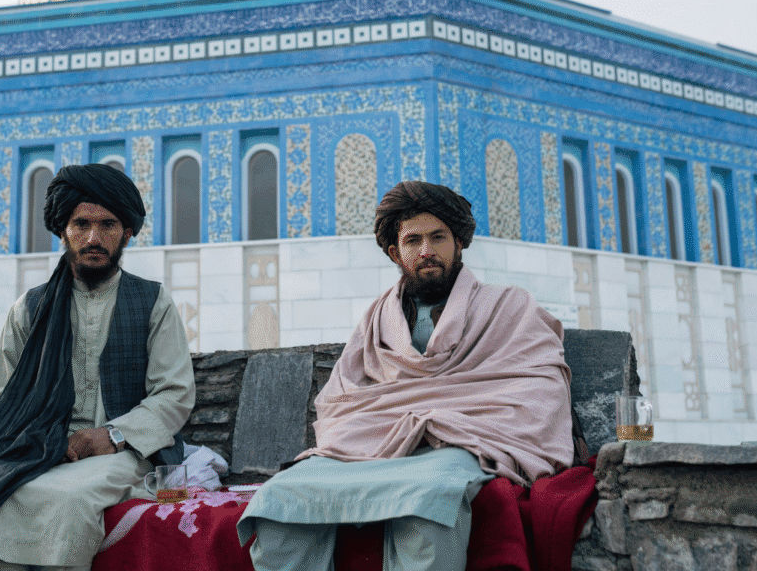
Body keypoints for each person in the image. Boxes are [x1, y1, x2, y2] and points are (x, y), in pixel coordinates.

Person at [237, 181, 574, 571]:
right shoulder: (378, 317)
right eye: (414, 241)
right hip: (371, 444)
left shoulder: (509, 305)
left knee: (429, 504)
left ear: (459, 243)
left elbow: (540, 387)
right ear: (396, 253)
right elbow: (340, 396)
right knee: (281, 502)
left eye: (438, 237)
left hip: (463, 440)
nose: (427, 251)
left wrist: (440, 422)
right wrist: (395, 424)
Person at [0, 164, 196, 571]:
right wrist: (35, 439)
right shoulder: (30, 308)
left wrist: (111, 435)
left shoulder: (152, 302)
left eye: (107, 225)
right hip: (36, 452)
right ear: (63, 232)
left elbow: (174, 393)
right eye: (81, 224)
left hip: (122, 452)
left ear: (127, 233)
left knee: (68, 502)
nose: (93, 238)